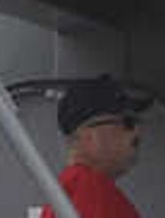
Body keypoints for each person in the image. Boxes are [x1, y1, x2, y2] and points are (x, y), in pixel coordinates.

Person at [48, 74, 153, 218]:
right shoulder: (90, 191)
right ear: (86, 136)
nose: (137, 132)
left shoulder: (73, 188)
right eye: (127, 123)